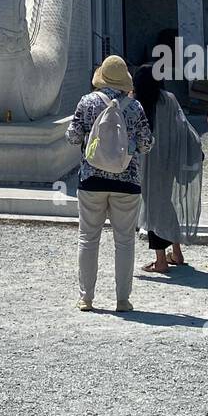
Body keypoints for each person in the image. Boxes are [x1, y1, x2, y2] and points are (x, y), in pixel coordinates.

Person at [65, 55, 153, 312]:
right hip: (127, 182)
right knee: (124, 241)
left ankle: (86, 298)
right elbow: (147, 143)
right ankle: (122, 300)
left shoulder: (87, 102)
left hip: (91, 179)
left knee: (88, 238)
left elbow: (72, 136)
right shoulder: (135, 107)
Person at [133, 64, 203, 274]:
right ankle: (177, 251)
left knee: (155, 207)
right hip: (170, 159)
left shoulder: (140, 103)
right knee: (165, 201)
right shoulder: (169, 99)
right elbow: (183, 126)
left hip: (149, 162)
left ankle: (161, 260)